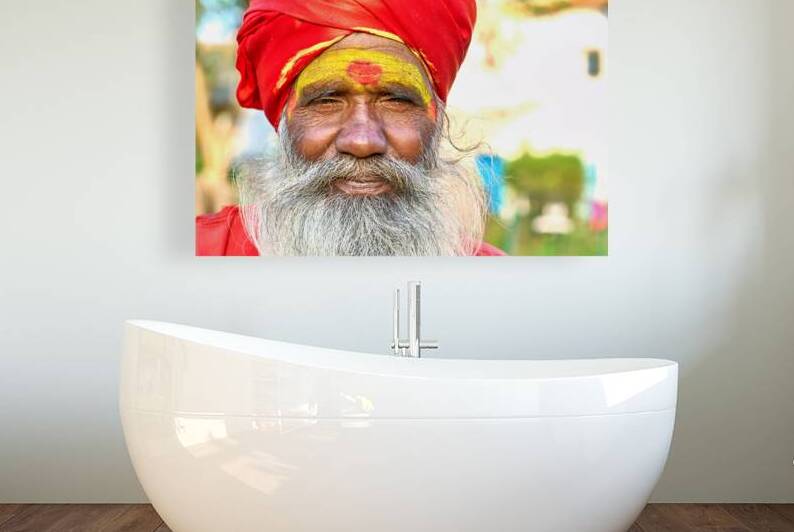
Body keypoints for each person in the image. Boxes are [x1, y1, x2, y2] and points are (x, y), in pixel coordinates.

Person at [196, 0, 506, 256]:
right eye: (327, 100)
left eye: (396, 100)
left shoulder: (496, 286)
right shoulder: (203, 253)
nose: (362, 141)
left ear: (436, 119)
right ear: (283, 121)